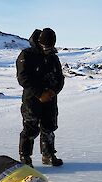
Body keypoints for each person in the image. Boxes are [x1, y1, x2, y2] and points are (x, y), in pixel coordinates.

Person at [16, 28, 65, 167]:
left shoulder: (53, 57)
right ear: (39, 42)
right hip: (32, 99)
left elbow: (60, 77)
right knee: (30, 128)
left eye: (50, 46)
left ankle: (48, 155)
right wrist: (39, 93)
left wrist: (54, 91)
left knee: (49, 126)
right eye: (45, 46)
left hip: (50, 99)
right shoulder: (27, 55)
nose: (48, 49)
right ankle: (25, 158)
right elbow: (23, 78)